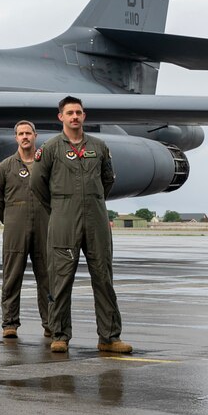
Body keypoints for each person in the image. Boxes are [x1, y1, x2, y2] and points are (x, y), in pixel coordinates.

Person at [33, 96, 134, 355]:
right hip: (64, 219)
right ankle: (60, 335)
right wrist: (60, 208)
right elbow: (37, 184)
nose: (75, 117)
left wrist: (92, 200)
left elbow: (107, 179)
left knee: (103, 277)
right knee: (61, 279)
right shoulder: (51, 148)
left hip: (96, 219)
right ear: (61, 117)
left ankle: (109, 337)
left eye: (78, 112)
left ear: (84, 116)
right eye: (70, 113)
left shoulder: (99, 147)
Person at [0, 119, 51, 340]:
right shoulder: (5, 167)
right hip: (15, 225)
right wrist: (11, 217)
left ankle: (50, 323)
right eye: (21, 134)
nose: (25, 137)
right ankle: (10, 323)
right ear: (16, 138)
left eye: (28, 133)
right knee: (12, 276)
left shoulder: (46, 164)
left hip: (44, 225)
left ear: (35, 136)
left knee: (47, 276)